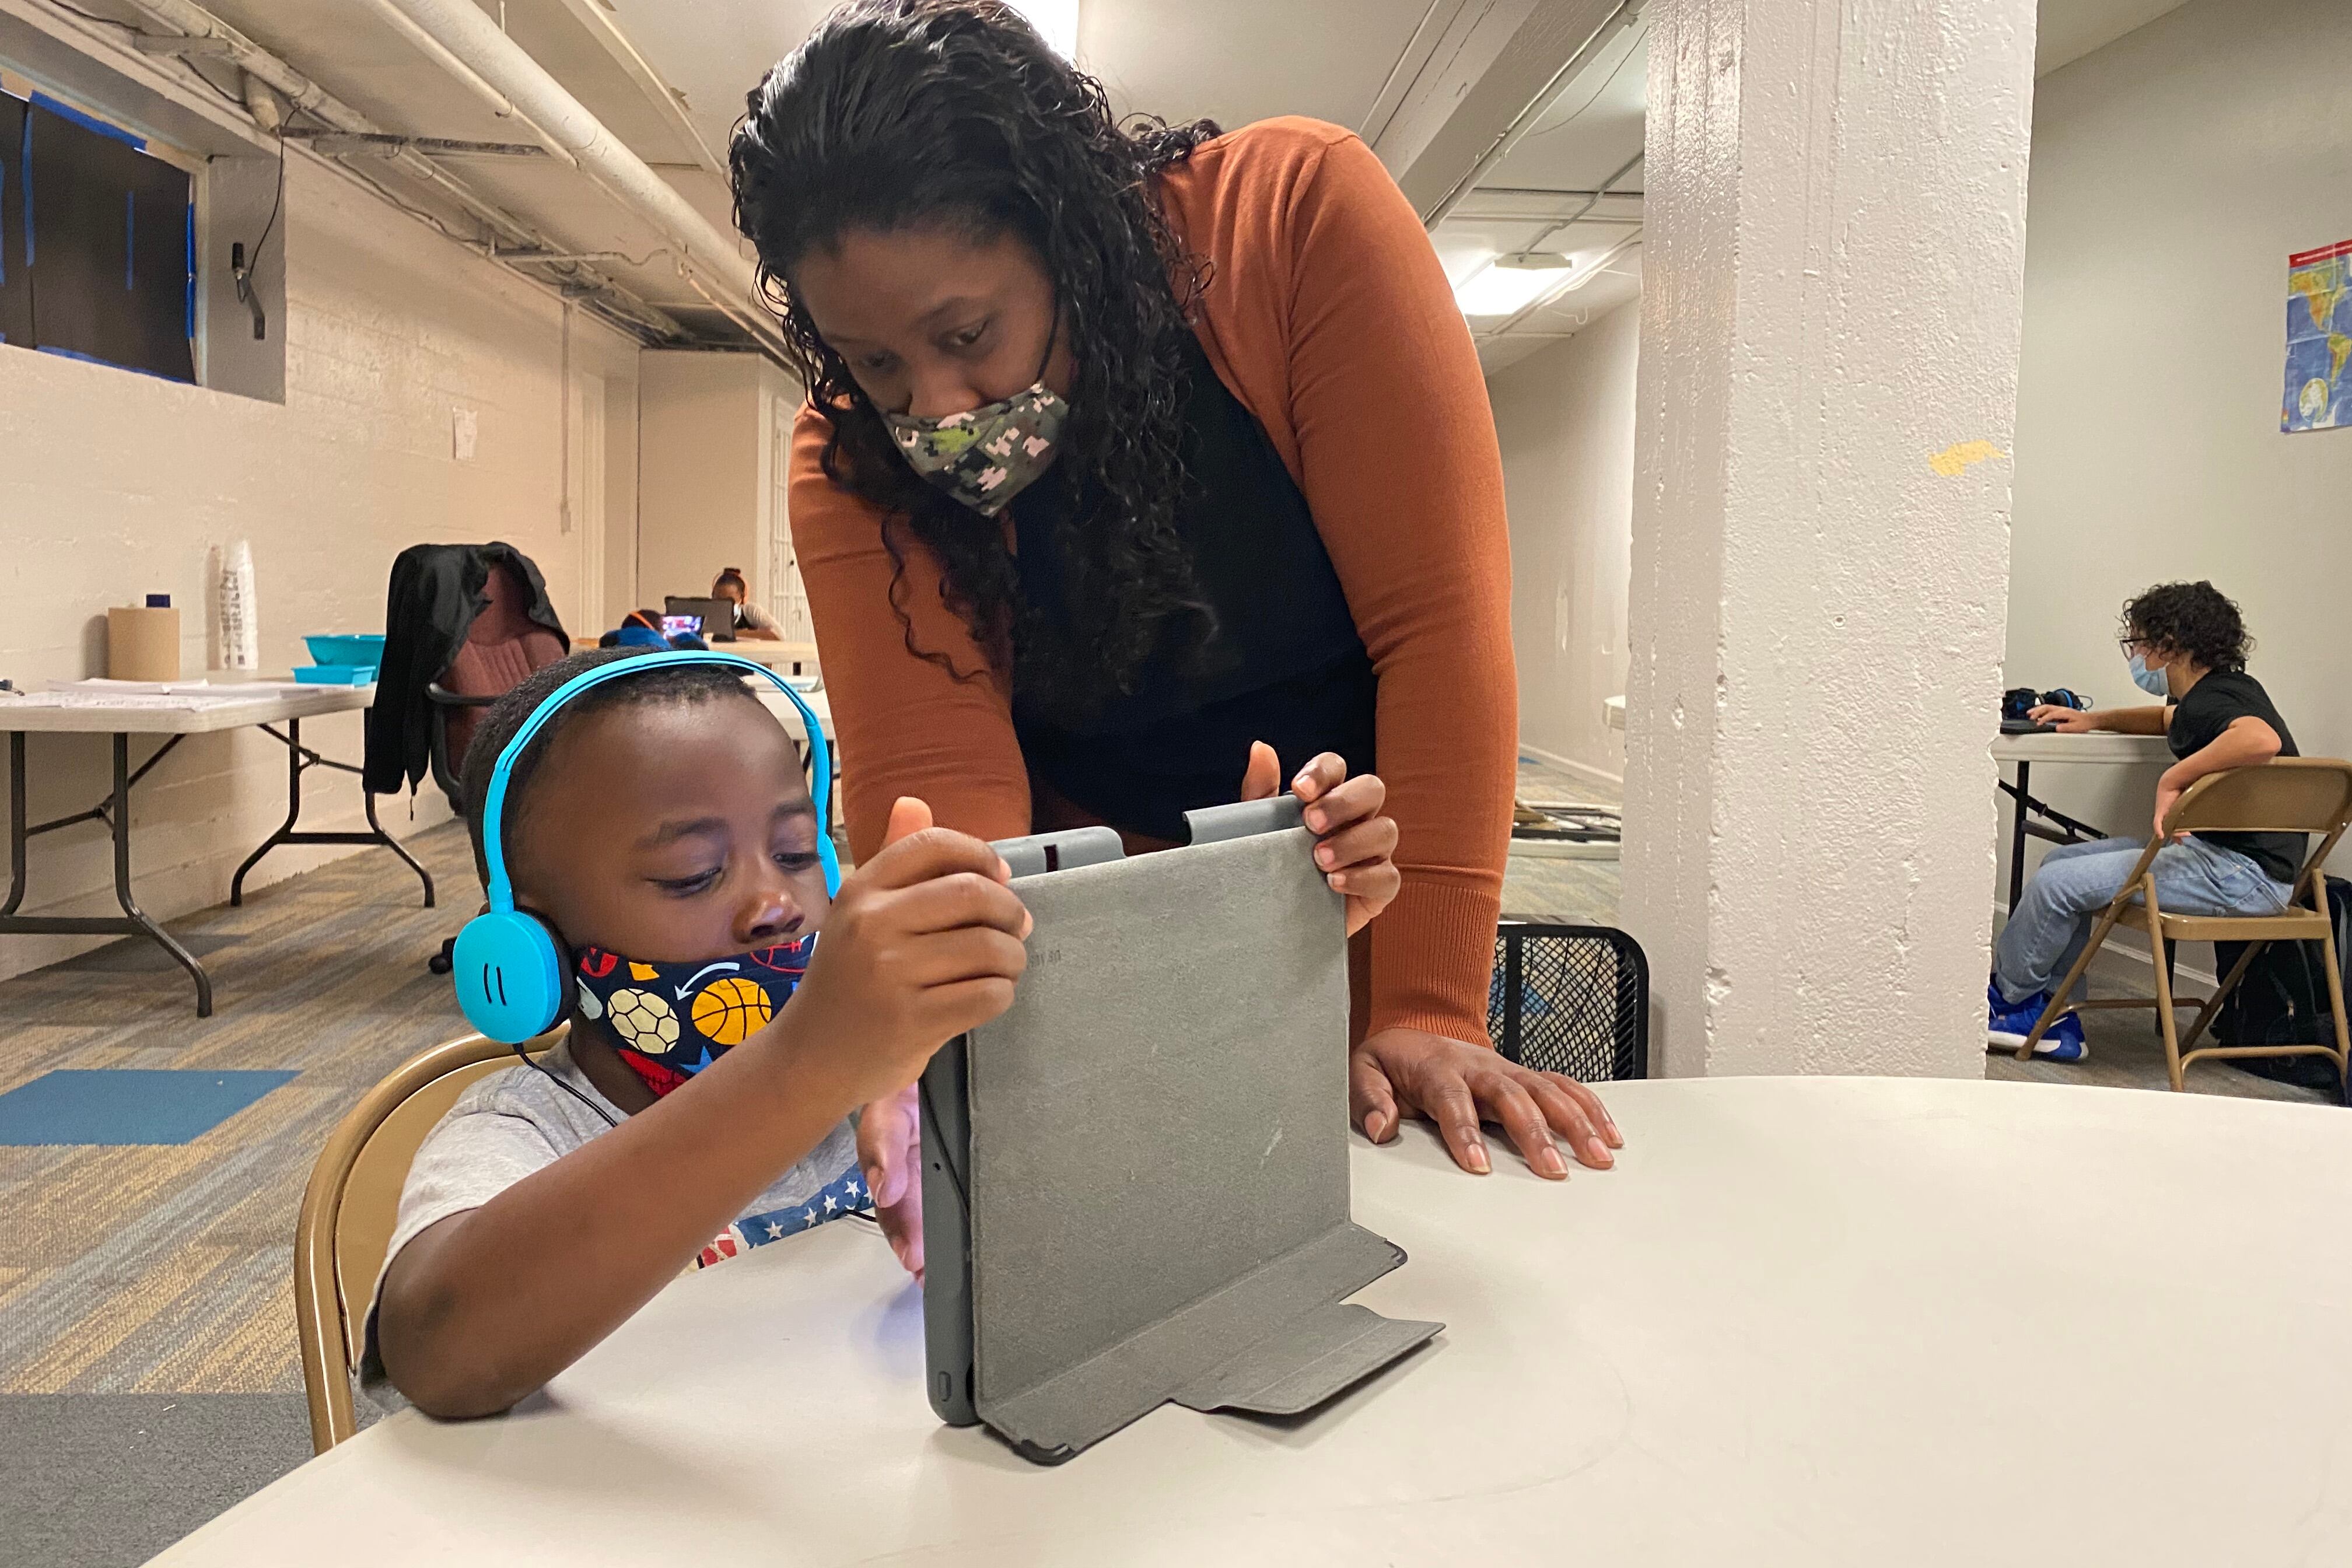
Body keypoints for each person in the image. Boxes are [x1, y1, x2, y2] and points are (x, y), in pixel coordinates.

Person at [728, 0, 1619, 1180]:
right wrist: (966, 1058)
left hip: (1354, 886)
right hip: (1080, 931)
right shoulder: (846, 459)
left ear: (1068, 236)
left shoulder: (1291, 224)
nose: (933, 409)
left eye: (970, 333)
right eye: (878, 362)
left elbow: (1441, 635)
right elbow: (949, 808)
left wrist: (1429, 1008)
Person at [366, 649, 1407, 1418]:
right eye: (691, 873)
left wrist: (1243, 943)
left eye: (792, 848)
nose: (772, 902)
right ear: (525, 940)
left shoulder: (914, 1068)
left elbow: (1146, 1174)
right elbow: (443, 1349)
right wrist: (808, 1064)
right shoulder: (522, 1130)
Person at [1992, 582, 2301, 1060]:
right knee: (2060, 861)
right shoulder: (2222, 692)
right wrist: (2093, 720)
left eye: (2136, 643)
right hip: (2237, 865)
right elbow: (2168, 721)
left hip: (2242, 876)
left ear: (2168, 645)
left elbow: (2260, 740)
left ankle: (2013, 1003)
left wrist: (2173, 780)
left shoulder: (2215, 701)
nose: (2135, 654)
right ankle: (2052, 1011)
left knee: (2059, 885)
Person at [712, 567, 783, 641]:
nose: (724, 605)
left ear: (742, 597)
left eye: (730, 600)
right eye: (718, 599)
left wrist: (733, 634)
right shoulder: (707, 613)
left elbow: (779, 635)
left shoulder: (750, 611)